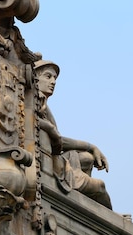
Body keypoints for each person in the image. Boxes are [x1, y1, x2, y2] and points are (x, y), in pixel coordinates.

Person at [35, 59, 112, 209]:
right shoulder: (33, 99)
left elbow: (59, 139)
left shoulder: (45, 107)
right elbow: (44, 130)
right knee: (100, 186)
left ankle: (87, 202)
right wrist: (50, 130)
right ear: (35, 78)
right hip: (51, 163)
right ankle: (113, 218)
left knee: (88, 159)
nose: (53, 82)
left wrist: (90, 147)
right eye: (48, 76)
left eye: (55, 78)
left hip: (56, 158)